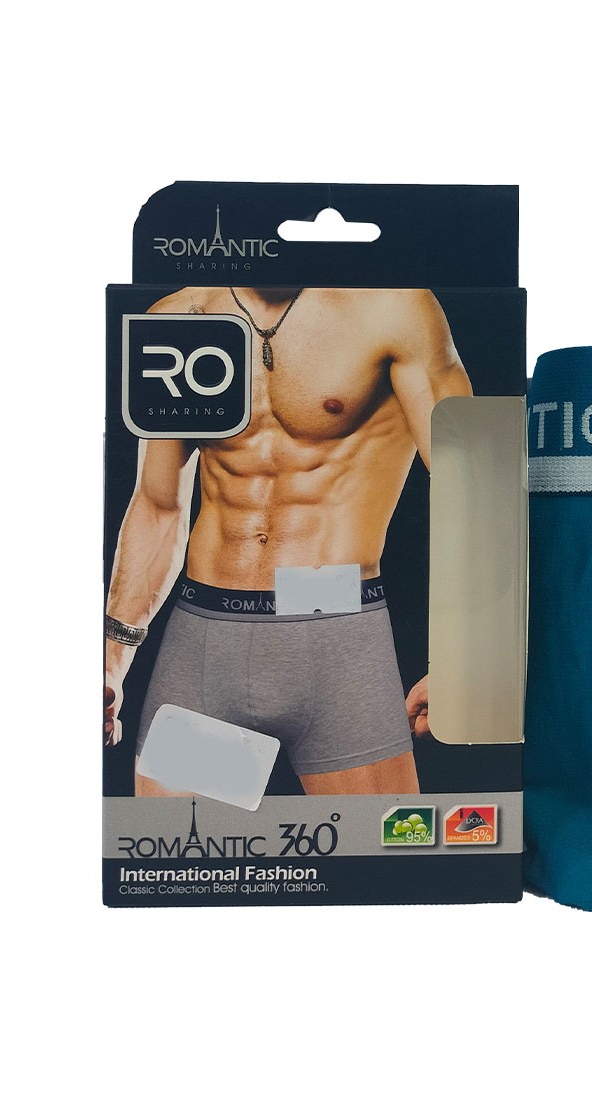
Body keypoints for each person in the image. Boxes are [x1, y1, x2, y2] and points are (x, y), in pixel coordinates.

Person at [104, 286, 471, 795]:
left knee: (376, 846)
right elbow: (158, 504)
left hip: (335, 643)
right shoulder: (181, 316)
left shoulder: (392, 308)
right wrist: (111, 659)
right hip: (208, 643)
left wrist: (465, 656)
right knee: (189, 846)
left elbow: (474, 488)